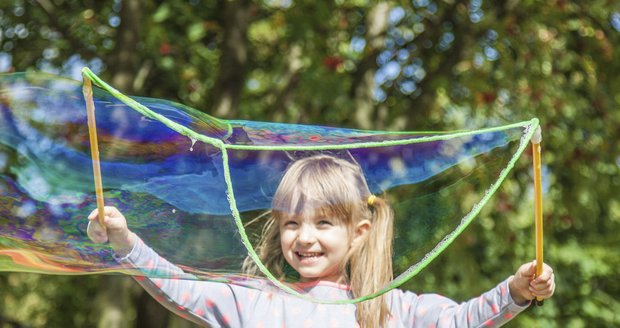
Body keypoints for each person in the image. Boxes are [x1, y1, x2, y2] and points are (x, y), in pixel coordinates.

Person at [88, 155, 555, 327]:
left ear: (359, 233)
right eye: (291, 223)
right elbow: (181, 288)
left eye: (323, 224)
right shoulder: (256, 301)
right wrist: (126, 242)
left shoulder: (390, 310)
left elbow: (461, 321)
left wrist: (513, 292)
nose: (304, 237)